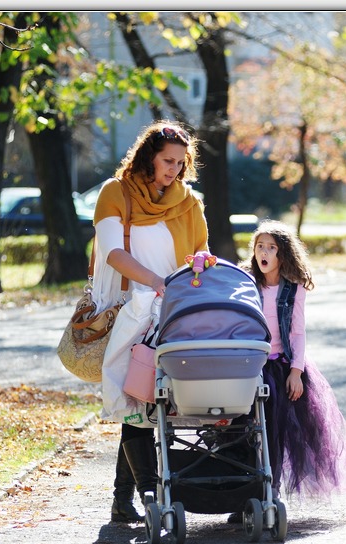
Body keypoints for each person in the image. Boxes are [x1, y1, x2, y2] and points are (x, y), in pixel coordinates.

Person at [91, 120, 210, 523]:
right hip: (133, 312)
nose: (174, 169)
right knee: (138, 401)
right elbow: (113, 253)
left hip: (174, 313)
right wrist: (158, 282)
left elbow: (201, 250)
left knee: (151, 402)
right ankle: (145, 495)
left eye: (180, 162)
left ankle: (124, 499)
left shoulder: (189, 202)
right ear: (148, 157)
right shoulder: (116, 193)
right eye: (167, 161)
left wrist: (200, 264)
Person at [239, 220, 346, 514]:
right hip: (248, 366)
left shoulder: (293, 288)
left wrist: (296, 371)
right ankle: (242, 494)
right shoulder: (245, 282)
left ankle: (271, 490)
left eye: (271, 247)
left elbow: (298, 332)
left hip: (279, 367)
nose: (264, 252)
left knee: (274, 431)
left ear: (283, 254)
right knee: (244, 431)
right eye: (260, 246)